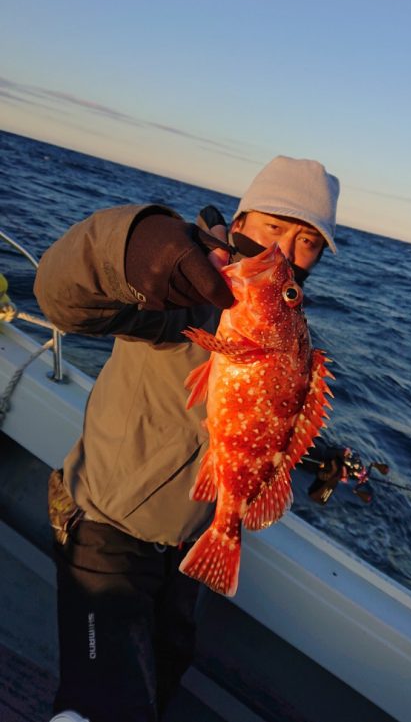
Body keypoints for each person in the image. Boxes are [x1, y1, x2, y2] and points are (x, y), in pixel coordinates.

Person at [34, 156, 342, 722]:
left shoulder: (288, 333)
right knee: (103, 704)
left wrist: (305, 452)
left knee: (167, 673)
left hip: (189, 548)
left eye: (308, 243)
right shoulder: (174, 285)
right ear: (241, 220)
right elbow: (62, 298)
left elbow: (265, 421)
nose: (286, 254)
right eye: (274, 228)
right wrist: (124, 250)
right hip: (107, 535)